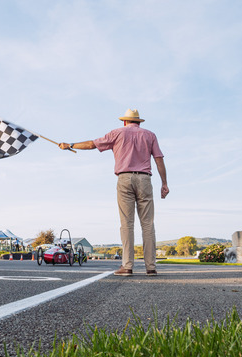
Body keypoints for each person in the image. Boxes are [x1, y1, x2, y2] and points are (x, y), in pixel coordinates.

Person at [59, 109, 169, 277]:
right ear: (139, 122)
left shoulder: (117, 133)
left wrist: (70, 145)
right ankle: (151, 267)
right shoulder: (150, 135)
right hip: (145, 179)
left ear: (125, 122)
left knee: (127, 224)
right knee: (147, 224)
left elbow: (92, 144)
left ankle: (127, 266)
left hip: (124, 178)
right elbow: (159, 159)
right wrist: (164, 183)